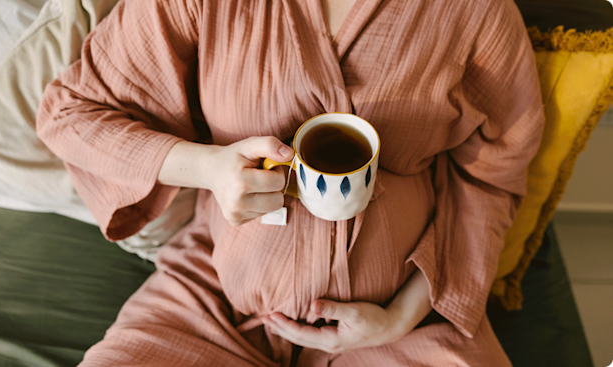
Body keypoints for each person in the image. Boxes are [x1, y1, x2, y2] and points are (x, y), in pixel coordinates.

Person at [35, 0, 545, 365]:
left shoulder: (476, 12)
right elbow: (72, 114)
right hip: (216, 295)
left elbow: (495, 174)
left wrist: (403, 316)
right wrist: (207, 167)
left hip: (402, 319)